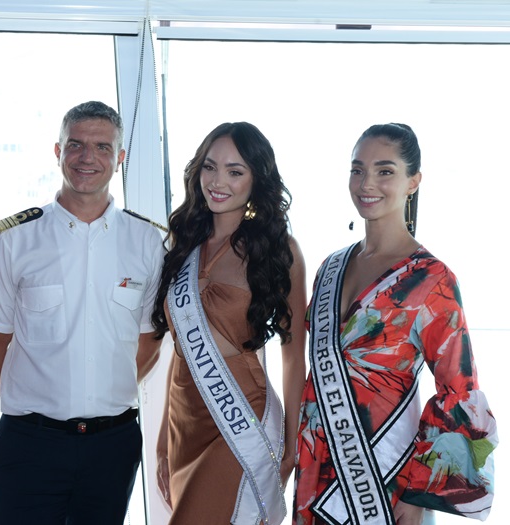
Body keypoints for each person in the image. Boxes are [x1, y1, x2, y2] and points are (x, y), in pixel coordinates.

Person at [0, 100, 165, 524]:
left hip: (112, 445)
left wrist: (99, 390)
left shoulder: (149, 243)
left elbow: (149, 340)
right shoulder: (14, 239)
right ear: (58, 151)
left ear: (120, 158)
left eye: (101, 147)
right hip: (30, 443)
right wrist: (43, 398)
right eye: (75, 144)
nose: (87, 158)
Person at [293, 123, 498, 525]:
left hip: (387, 479)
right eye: (357, 169)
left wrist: (419, 495)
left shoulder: (432, 279)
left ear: (413, 182)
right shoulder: (329, 268)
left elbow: (459, 391)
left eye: (385, 170)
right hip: (317, 465)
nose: (367, 182)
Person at [152, 122, 307, 524]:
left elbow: (293, 358)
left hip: (240, 414)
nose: (218, 181)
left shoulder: (279, 249)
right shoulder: (183, 241)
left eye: (235, 171)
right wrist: (163, 445)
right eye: (210, 167)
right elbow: (182, 348)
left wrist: (291, 444)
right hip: (184, 419)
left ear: (257, 179)